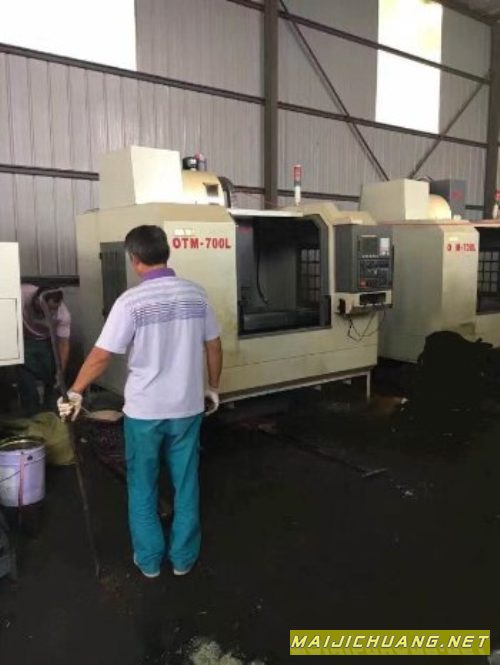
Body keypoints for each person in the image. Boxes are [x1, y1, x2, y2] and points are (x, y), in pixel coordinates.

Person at [58, 225, 223, 579]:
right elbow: (213, 345)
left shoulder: (130, 302)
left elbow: (102, 355)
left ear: (134, 259)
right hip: (187, 409)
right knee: (186, 483)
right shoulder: (197, 295)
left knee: (143, 484)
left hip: (145, 412)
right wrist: (213, 386)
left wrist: (75, 391)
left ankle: (148, 562)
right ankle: (183, 559)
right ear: (167, 252)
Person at [18, 285, 71, 414]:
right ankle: (31, 415)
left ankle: (50, 413)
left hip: (46, 340)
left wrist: (60, 373)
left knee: (52, 379)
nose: (50, 313)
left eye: (53, 309)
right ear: (37, 300)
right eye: (46, 308)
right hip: (23, 339)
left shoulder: (62, 314)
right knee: (27, 382)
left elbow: (63, 344)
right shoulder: (21, 295)